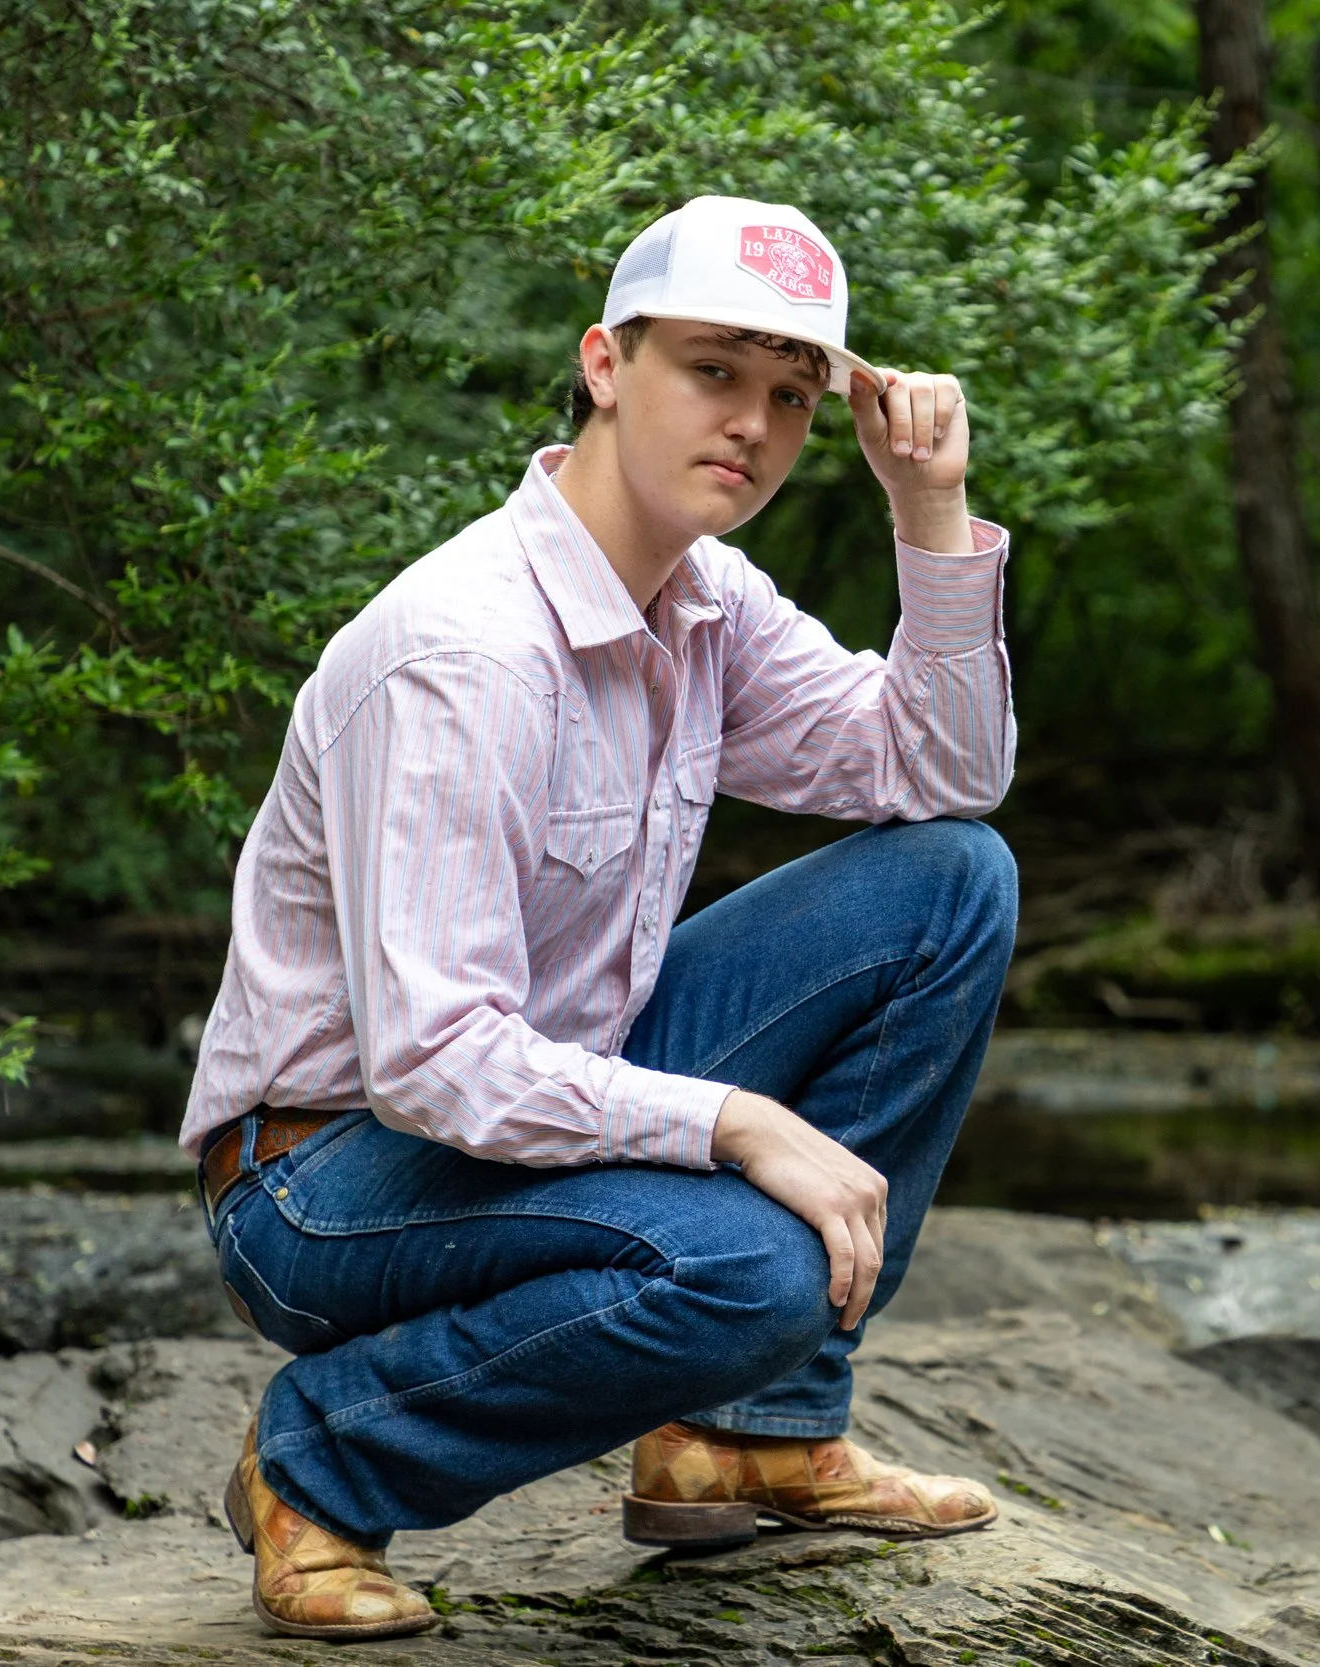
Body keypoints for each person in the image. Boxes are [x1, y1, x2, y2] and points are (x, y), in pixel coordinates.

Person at [177, 196, 1018, 1642]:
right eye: (714, 370)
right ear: (606, 364)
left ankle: (750, 1431)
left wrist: (926, 509)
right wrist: (742, 1124)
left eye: (793, 396)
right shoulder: (463, 652)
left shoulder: (706, 603)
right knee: (754, 1262)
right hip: (326, 1178)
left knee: (953, 882)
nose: (754, 424)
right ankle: (319, 1461)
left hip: (541, 1094)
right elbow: (435, 1065)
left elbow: (936, 772)